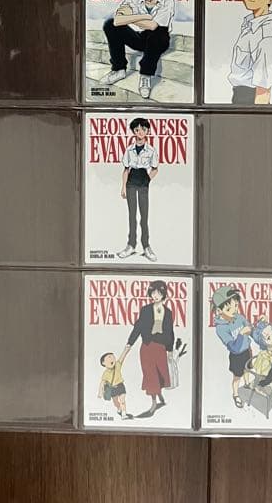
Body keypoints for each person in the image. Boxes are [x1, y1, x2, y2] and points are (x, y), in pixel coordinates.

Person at [101, 0, 175, 99]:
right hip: (141, 38)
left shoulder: (167, 0)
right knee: (110, 25)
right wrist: (143, 16)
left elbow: (153, 26)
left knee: (157, 33)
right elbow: (117, 21)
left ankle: (145, 75)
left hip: (159, 39)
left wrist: (130, 17)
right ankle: (119, 69)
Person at [119, 280, 175, 417]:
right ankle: (154, 402)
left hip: (161, 347)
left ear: (163, 294)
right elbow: (138, 327)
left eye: (158, 293)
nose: (155, 296)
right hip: (147, 346)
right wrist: (129, 343)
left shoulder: (168, 312)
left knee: (160, 374)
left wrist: (170, 349)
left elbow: (170, 332)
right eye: (153, 293)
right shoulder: (145, 310)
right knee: (151, 375)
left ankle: (159, 395)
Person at [117, 118, 158, 261]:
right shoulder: (129, 150)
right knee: (132, 215)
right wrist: (123, 186)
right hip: (131, 182)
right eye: (137, 129)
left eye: (143, 129)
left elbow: (155, 169)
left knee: (144, 216)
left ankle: (146, 246)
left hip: (143, 182)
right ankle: (131, 245)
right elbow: (126, 169)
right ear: (133, 131)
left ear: (148, 131)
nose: (140, 132)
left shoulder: (151, 150)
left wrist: (147, 180)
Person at [211, 285, 253, 410]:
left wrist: (255, 326)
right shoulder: (221, 328)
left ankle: (247, 385)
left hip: (247, 351)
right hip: (236, 356)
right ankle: (236, 395)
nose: (234, 310)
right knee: (237, 376)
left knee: (247, 370)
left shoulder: (239, 317)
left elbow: (250, 327)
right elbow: (234, 348)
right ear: (219, 310)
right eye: (229, 308)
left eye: (236, 306)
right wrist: (241, 334)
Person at [98, 352, 132, 420]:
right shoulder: (105, 373)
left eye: (113, 357)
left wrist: (126, 349)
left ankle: (124, 414)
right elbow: (102, 383)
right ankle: (119, 408)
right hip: (112, 389)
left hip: (120, 386)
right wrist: (100, 392)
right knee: (116, 403)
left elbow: (122, 357)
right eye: (109, 357)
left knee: (122, 401)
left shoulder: (117, 366)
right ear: (103, 363)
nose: (112, 359)